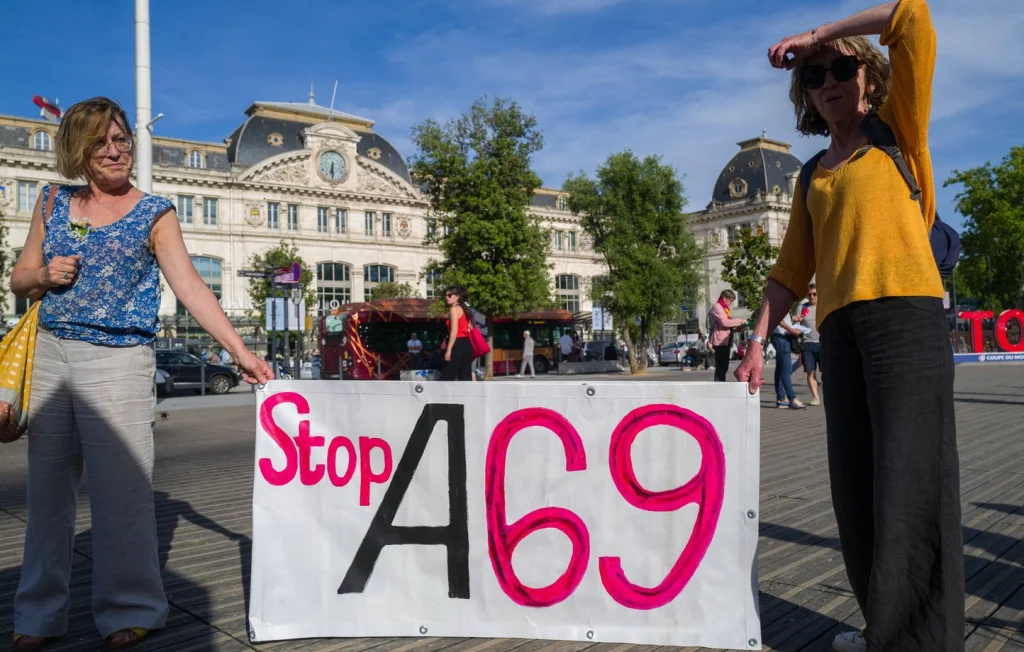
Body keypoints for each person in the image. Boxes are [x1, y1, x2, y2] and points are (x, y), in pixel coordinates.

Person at [736, 3, 963, 650]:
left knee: (912, 483)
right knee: (856, 491)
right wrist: (755, 343)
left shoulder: (900, 134)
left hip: (905, 322)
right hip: (839, 333)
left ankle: (921, 641)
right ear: (805, 97)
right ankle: (881, 630)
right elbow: (788, 273)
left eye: (841, 68)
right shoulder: (812, 176)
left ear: (867, 75)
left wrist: (816, 35)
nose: (829, 79)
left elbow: (911, 16)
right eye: (814, 75)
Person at [7, 97, 272, 652]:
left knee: (121, 494)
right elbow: (20, 277)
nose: (115, 150)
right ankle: (38, 612)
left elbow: (191, 288)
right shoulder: (52, 200)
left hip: (121, 362)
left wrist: (238, 351)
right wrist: (44, 274)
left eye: (121, 139)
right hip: (52, 355)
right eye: (101, 141)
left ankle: (131, 607)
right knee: (48, 494)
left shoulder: (156, 211)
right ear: (79, 150)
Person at [771, 313, 808, 409]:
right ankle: (792, 398)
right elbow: (778, 319)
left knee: (780, 369)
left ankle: (781, 399)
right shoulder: (780, 299)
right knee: (786, 370)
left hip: (779, 336)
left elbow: (782, 318)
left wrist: (792, 319)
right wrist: (792, 330)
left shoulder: (777, 299)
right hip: (781, 337)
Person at [795, 284, 822, 404]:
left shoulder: (823, 306)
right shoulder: (803, 307)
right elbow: (797, 324)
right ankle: (816, 397)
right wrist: (796, 320)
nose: (811, 296)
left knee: (826, 372)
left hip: (823, 344)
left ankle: (830, 396)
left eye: (814, 294)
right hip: (808, 344)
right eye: (809, 294)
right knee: (810, 372)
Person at [709, 290, 745, 382]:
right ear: (724, 298)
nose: (731, 303)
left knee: (724, 366)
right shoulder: (717, 307)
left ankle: (721, 385)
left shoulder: (724, 308)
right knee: (721, 367)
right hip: (720, 340)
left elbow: (727, 322)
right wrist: (740, 321)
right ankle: (719, 387)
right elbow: (724, 322)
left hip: (726, 339)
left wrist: (735, 327)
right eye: (730, 300)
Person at [440, 286, 473, 381]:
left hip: (457, 343)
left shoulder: (454, 309)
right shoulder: (465, 309)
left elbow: (454, 331)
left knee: (447, 375)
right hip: (467, 344)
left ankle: (440, 395)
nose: (447, 297)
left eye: (449, 295)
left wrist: (448, 350)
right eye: (445, 295)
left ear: (457, 296)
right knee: (465, 375)